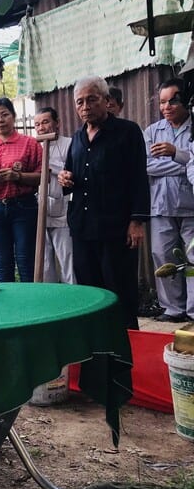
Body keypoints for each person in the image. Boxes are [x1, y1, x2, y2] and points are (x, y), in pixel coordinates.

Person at [59, 76, 150, 329]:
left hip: (116, 229)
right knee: (90, 293)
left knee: (120, 291)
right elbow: (71, 177)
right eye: (80, 102)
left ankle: (126, 345)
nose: (85, 106)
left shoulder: (127, 132)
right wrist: (65, 178)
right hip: (83, 228)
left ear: (107, 100)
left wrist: (137, 221)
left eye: (92, 99)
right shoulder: (77, 138)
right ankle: (96, 344)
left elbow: (138, 178)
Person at [0, 97, 42, 282]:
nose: (0, 120)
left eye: (4, 115)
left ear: (14, 116)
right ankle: (9, 300)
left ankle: (30, 299)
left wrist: (17, 176)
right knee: (2, 264)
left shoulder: (30, 144)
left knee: (26, 261)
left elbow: (42, 177)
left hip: (23, 207)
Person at [145, 78, 194, 322]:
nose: (166, 107)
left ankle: (193, 311)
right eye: (162, 102)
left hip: (190, 206)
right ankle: (173, 309)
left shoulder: (193, 127)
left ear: (184, 100)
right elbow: (145, 165)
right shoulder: (152, 131)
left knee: (193, 260)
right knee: (162, 256)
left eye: (172, 101)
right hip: (161, 205)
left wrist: (175, 153)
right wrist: (184, 162)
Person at [34, 107, 75, 284]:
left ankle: (74, 295)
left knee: (68, 259)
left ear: (57, 123)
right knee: (44, 263)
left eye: (45, 122)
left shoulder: (70, 144)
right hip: (40, 211)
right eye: (37, 124)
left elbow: (72, 170)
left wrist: (50, 165)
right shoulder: (35, 146)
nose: (41, 127)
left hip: (63, 212)